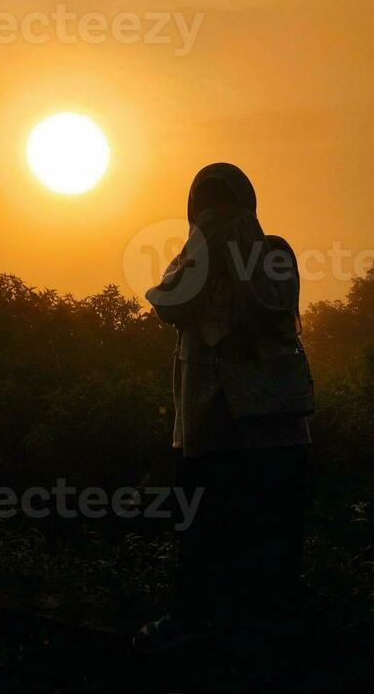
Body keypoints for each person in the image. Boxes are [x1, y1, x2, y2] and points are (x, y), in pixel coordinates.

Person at [133, 163, 314, 655]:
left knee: (271, 532)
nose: (217, 214)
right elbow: (167, 304)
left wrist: (234, 249)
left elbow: (271, 306)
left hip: (271, 426)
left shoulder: (274, 253)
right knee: (201, 526)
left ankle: (270, 630)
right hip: (206, 425)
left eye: (226, 204)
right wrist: (201, 251)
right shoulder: (186, 262)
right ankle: (196, 616)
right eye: (208, 206)